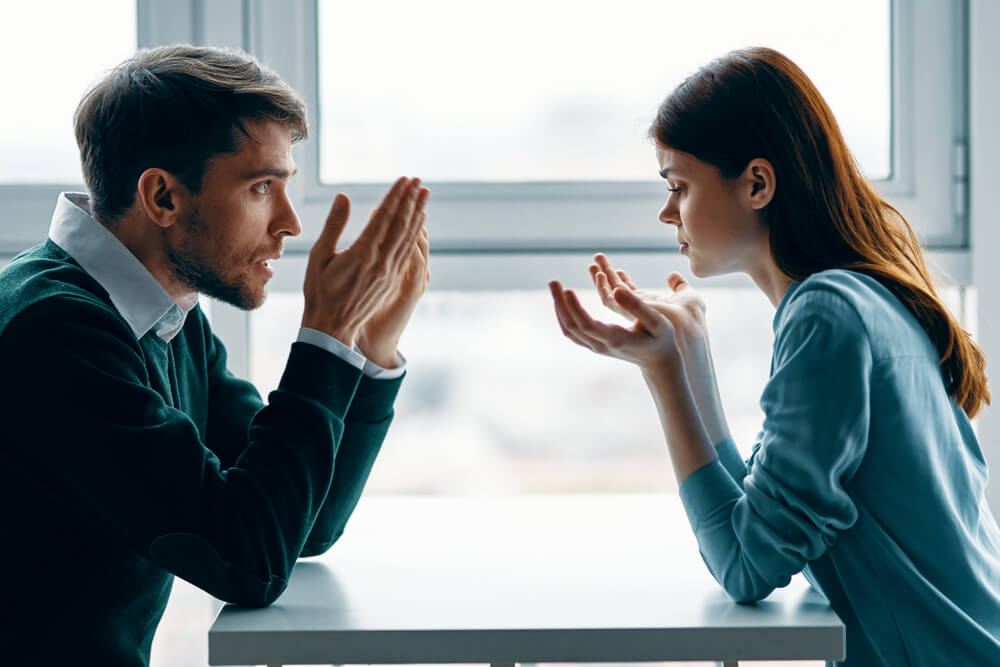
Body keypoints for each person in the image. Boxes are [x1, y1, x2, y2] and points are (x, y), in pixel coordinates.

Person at [549, 47, 1000, 666]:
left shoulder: (826, 314)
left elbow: (744, 566)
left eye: (679, 186)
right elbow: (761, 516)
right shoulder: (857, 298)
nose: (666, 212)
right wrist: (689, 355)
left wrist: (665, 379)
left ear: (757, 183)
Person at [0, 45, 429, 665]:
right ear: (163, 198)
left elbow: (300, 526)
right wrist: (326, 338)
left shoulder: (163, 313)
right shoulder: (55, 332)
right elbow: (248, 560)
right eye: (261, 187)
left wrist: (368, 344)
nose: (288, 223)